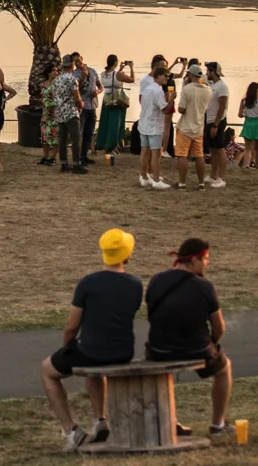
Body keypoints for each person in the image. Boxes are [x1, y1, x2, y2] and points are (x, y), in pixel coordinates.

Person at [41, 229, 142, 452]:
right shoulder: (135, 285)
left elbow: (71, 326)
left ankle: (70, 431)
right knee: (93, 366)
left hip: (91, 352)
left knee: (48, 370)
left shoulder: (88, 283)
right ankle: (100, 420)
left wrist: (67, 345)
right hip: (123, 351)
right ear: (128, 254)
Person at [145, 238, 233, 438]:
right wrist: (212, 342)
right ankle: (217, 423)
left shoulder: (156, 280)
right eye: (205, 259)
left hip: (159, 349)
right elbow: (219, 327)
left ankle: (171, 420)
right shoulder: (205, 286)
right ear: (194, 260)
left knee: (161, 372)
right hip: (197, 348)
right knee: (224, 368)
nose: (207, 263)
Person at [174, 63, 212, 190]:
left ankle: (182, 183)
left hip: (185, 127)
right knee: (199, 155)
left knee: (182, 155)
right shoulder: (208, 90)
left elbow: (181, 109)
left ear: (190, 75)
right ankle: (201, 184)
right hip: (199, 127)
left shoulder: (187, 89)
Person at [138, 67, 173, 190]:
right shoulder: (157, 91)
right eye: (165, 76)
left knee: (144, 152)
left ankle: (144, 176)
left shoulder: (147, 89)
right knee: (156, 154)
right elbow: (165, 110)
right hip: (153, 126)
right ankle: (156, 180)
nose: (167, 78)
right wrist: (171, 100)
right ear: (158, 76)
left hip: (144, 124)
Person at [52, 55, 86, 174]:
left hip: (59, 112)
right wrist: (81, 104)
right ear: (72, 65)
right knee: (76, 139)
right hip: (71, 112)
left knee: (62, 140)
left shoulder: (56, 80)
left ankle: (64, 164)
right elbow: (76, 97)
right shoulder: (72, 79)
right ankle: (76, 164)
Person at [96, 55, 134, 153]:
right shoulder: (118, 74)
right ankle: (112, 145)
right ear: (115, 62)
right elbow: (131, 79)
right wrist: (131, 67)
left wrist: (120, 69)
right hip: (116, 100)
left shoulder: (103, 74)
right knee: (115, 124)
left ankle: (104, 144)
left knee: (106, 123)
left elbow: (112, 79)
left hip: (107, 100)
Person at [73, 54, 102, 164]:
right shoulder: (75, 74)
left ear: (82, 58)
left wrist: (98, 92)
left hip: (92, 105)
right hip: (82, 106)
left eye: (78, 60)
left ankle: (85, 155)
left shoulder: (93, 71)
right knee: (80, 131)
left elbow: (100, 86)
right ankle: (79, 157)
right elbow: (74, 89)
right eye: (75, 62)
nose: (77, 63)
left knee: (89, 132)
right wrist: (82, 78)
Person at [205, 62, 229, 188]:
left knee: (219, 149)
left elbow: (222, 107)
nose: (206, 73)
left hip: (217, 121)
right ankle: (213, 175)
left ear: (213, 72)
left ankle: (221, 178)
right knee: (213, 149)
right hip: (210, 120)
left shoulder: (222, 87)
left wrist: (216, 125)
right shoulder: (213, 85)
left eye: (208, 71)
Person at [39, 63, 59, 165]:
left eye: (56, 70)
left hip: (55, 113)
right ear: (48, 73)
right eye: (53, 71)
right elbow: (42, 97)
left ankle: (53, 157)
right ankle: (46, 156)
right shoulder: (44, 84)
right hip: (46, 113)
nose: (55, 72)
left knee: (55, 137)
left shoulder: (58, 84)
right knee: (45, 136)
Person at [237, 82, 258, 170]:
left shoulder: (244, 101)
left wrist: (246, 114)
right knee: (257, 149)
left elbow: (240, 114)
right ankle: (257, 166)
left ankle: (246, 165)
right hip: (257, 124)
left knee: (247, 148)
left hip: (248, 124)